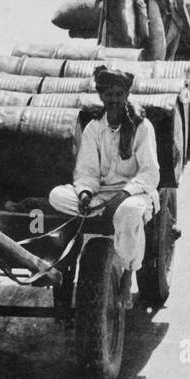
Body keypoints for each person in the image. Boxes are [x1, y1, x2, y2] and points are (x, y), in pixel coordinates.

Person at [48, 66, 160, 307]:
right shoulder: (94, 127)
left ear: (126, 96)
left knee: (129, 213)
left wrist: (123, 194)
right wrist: (85, 192)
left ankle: (128, 276)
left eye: (119, 94)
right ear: (101, 96)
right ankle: (63, 258)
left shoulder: (142, 127)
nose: (114, 100)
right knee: (56, 196)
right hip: (101, 195)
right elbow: (86, 171)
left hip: (135, 193)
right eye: (109, 95)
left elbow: (150, 174)